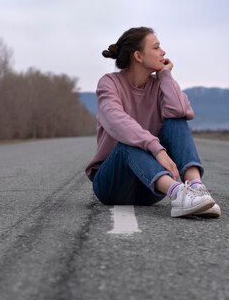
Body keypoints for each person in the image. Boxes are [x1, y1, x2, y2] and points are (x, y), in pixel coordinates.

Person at [85, 27, 221, 218]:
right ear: (138, 56)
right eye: (156, 47)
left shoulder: (159, 85)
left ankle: (195, 190)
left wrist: (165, 76)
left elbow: (180, 111)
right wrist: (156, 148)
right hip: (113, 185)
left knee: (176, 122)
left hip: (150, 188)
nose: (163, 52)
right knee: (127, 143)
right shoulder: (109, 83)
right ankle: (178, 193)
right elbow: (115, 119)